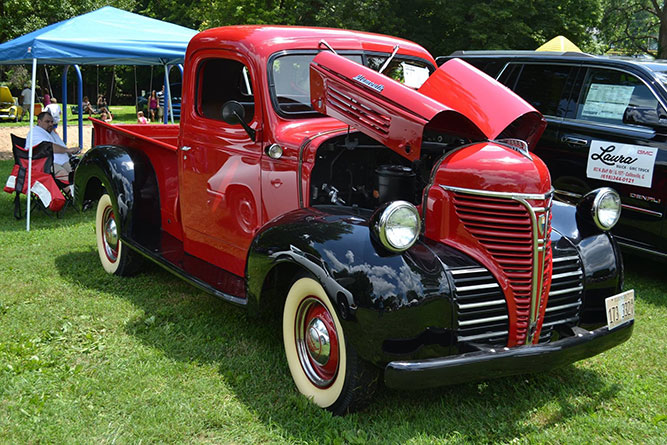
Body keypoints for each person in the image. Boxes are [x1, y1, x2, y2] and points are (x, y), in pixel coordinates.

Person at [24, 111, 80, 193]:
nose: (50, 124)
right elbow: (48, 147)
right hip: (42, 164)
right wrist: (67, 150)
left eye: (51, 122)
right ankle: (74, 197)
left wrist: (72, 151)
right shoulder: (35, 133)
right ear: (39, 122)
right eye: (47, 122)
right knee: (63, 174)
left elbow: (60, 146)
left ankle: (85, 195)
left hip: (59, 161)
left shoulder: (52, 133)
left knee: (77, 171)